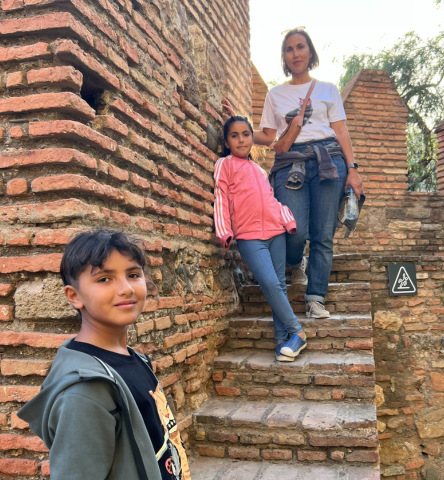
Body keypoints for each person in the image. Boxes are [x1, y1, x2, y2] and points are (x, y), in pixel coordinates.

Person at [18, 229, 191, 480]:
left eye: (133, 275)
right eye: (104, 279)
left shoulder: (133, 359)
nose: (126, 289)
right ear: (74, 296)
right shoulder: (85, 392)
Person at [223, 27, 363, 319]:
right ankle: (295, 262)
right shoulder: (276, 94)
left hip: (329, 161)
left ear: (310, 52)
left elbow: (341, 132)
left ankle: (315, 299)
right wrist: (235, 122)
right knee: (294, 229)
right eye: (289, 49)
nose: (295, 53)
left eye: (300, 47)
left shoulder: (328, 90)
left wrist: (352, 169)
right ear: (284, 57)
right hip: (291, 164)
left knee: (324, 234)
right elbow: (268, 135)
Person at [214, 115, 308, 360]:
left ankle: (281, 340)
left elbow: (269, 200)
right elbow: (221, 198)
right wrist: (224, 231)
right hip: (248, 236)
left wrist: (286, 219)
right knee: (267, 282)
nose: (241, 139)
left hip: (277, 232)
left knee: (278, 284)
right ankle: (298, 332)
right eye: (234, 135)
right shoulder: (225, 164)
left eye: (246, 134)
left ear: (252, 138)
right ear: (226, 141)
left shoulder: (258, 168)